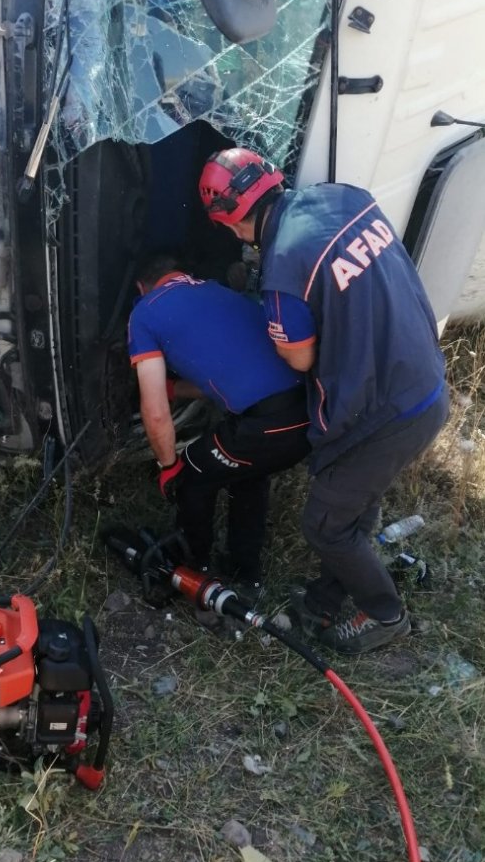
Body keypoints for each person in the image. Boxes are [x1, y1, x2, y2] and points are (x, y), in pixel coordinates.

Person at [199, 147, 449, 653]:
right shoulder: (343, 197)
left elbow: (297, 357)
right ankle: (326, 598)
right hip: (424, 379)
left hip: (383, 412)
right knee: (355, 501)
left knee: (325, 525)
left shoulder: (284, 268)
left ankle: (384, 614)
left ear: (230, 222)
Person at [128, 253, 310, 592]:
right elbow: (220, 377)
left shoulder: (145, 312)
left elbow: (155, 414)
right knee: (249, 474)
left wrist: (168, 466)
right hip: (306, 414)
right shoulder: (218, 292)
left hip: (266, 424)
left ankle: (193, 566)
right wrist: (174, 389)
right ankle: (245, 571)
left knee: (192, 471)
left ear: (142, 287)